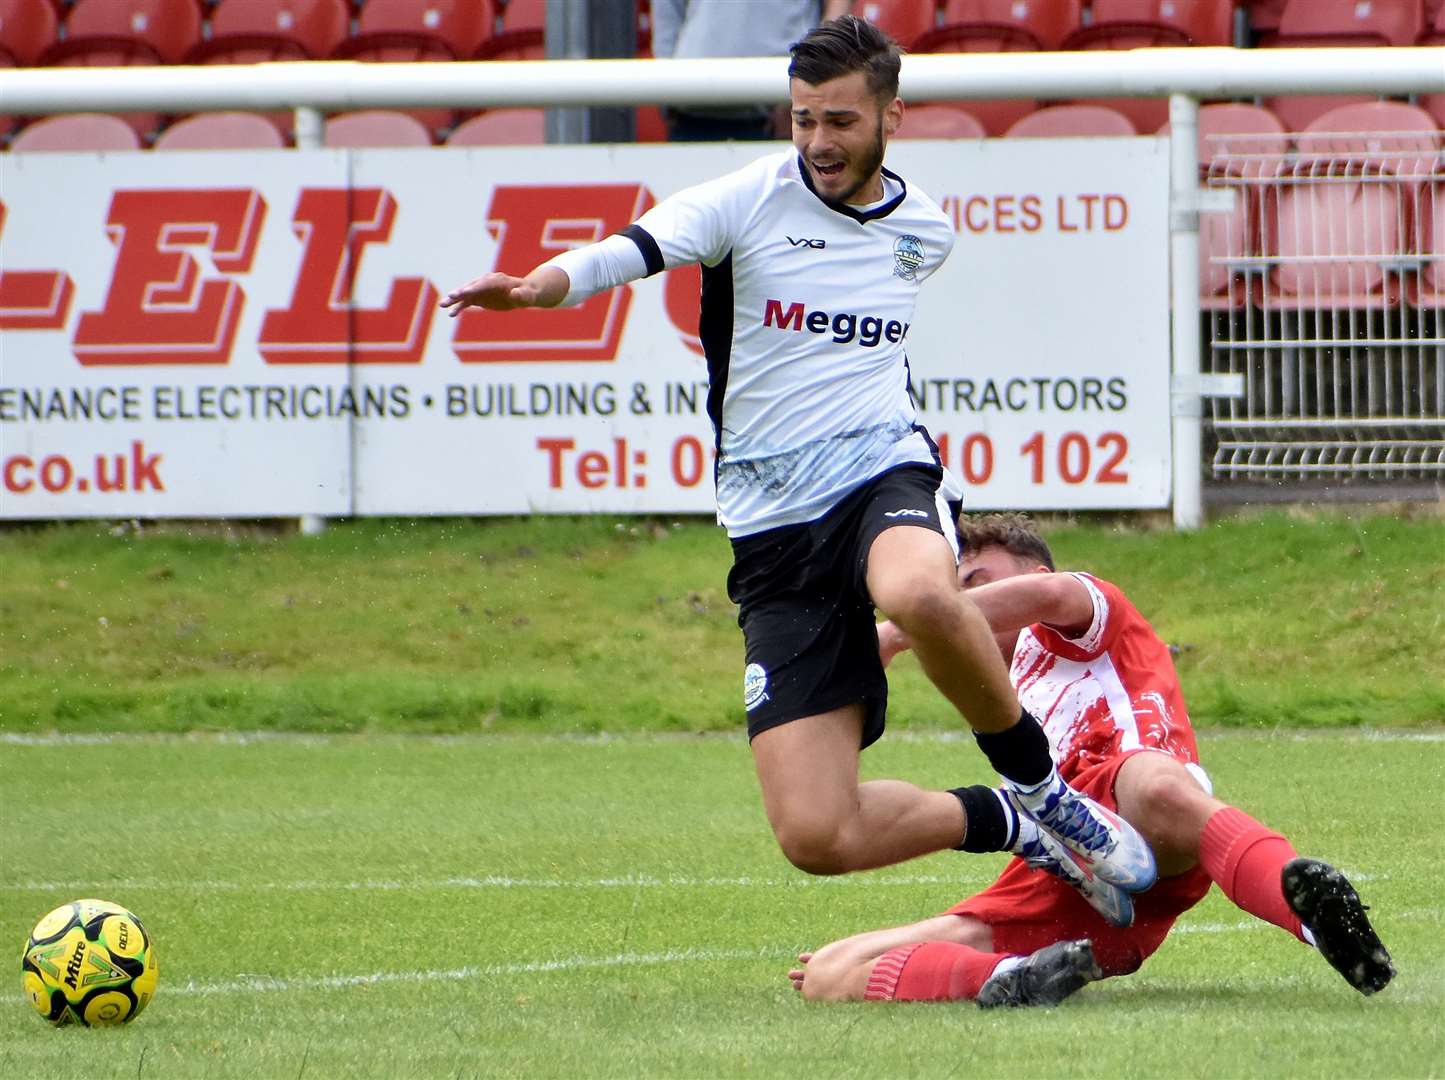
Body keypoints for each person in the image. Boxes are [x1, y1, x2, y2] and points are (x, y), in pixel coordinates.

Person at [441, 17, 1156, 894]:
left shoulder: (922, 232)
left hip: (877, 470)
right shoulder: (747, 198)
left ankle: (1044, 790)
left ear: (892, 116)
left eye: (840, 121)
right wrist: (538, 289)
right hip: (770, 526)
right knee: (817, 835)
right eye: (803, 118)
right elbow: (628, 249)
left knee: (919, 591)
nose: (818, 141)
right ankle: (1005, 822)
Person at [787, 513, 1396, 1008]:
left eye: (975, 581)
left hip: (1144, 817)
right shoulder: (997, 693)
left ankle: (1320, 922)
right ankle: (1018, 977)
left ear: (1035, 572)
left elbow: (1048, 596)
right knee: (831, 973)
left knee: (1156, 782)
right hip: (1068, 879)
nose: (957, 600)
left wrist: (899, 631)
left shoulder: (1075, 618)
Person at [650, 0, 854, 142]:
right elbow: (667, 14)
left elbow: (836, 10)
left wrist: (805, 91)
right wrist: (668, 93)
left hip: (777, 113)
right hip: (692, 109)